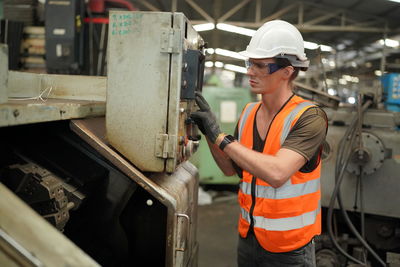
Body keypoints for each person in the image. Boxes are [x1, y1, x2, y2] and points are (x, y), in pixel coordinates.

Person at [191, 20, 328, 267]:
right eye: (249, 63)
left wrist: (221, 138)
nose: (250, 72)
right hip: (249, 238)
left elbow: (277, 173)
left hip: (289, 248)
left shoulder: (310, 117)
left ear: (287, 71)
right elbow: (230, 169)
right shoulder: (248, 113)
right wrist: (211, 135)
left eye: (260, 65)